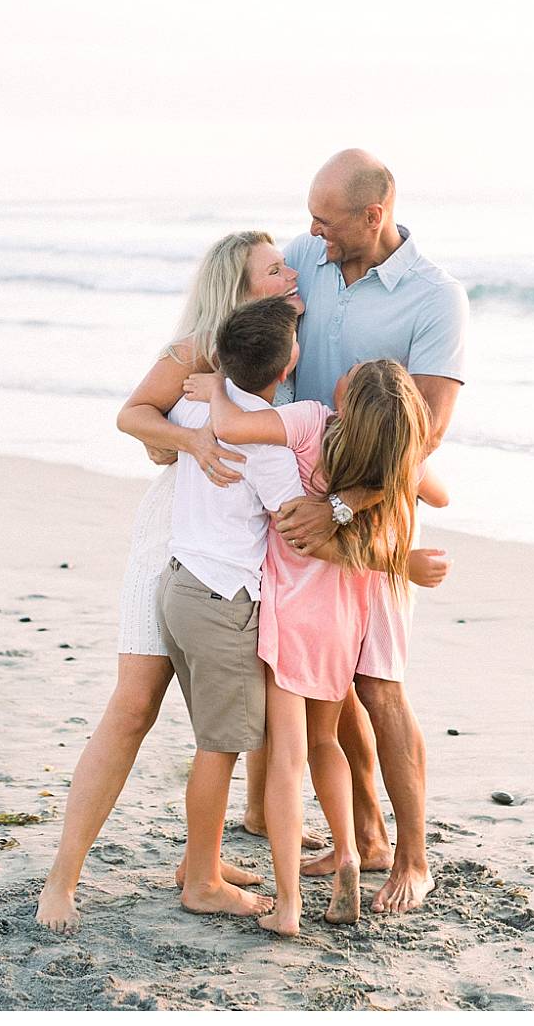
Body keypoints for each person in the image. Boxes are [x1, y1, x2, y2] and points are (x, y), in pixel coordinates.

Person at [191, 150, 469, 915]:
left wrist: (343, 505)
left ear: (372, 216)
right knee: (328, 685)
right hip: (301, 504)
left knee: (378, 686)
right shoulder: (311, 259)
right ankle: (366, 838)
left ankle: (411, 859)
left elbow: (428, 437)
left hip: (368, 509)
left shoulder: (434, 298)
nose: (309, 233)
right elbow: (249, 324)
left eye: (325, 219)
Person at [36, 231, 309, 933]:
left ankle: (204, 864)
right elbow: (133, 414)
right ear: (240, 285)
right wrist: (188, 442)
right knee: (134, 706)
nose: (289, 274)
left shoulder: (277, 349)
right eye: (274, 268)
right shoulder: (197, 349)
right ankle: (61, 880)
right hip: (169, 541)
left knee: (227, 713)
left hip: (232, 549)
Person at [190, 357, 451, 934]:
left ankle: (288, 904)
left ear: (347, 403)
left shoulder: (312, 423)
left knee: (288, 756)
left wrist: (216, 389)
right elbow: (440, 494)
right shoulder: (386, 457)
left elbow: (234, 429)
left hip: (290, 614)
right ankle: (352, 852)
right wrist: (392, 476)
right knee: (326, 738)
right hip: (345, 614)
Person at [156, 296, 303, 918]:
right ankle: (202, 886)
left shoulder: (194, 405)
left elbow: (159, 438)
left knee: (215, 735)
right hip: (221, 601)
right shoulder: (265, 442)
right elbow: (296, 520)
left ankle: (203, 859)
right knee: (220, 744)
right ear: (288, 363)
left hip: (178, 586)